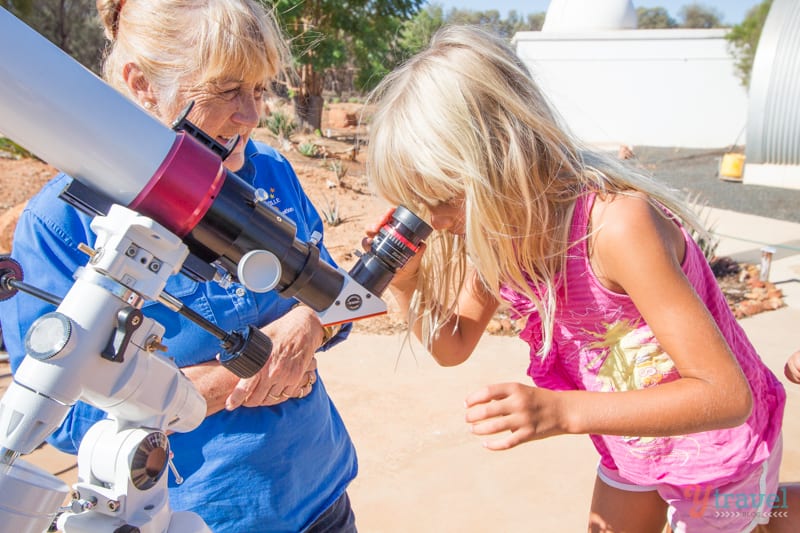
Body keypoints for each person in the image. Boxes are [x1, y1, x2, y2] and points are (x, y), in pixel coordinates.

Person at [363, 25, 797, 532]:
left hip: (718, 452)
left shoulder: (616, 227)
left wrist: (560, 411)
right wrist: (406, 283)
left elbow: (725, 395)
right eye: (422, 206)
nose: (436, 222)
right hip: (635, 443)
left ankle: (771, 510)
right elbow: (452, 346)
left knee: (755, 521)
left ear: (503, 156)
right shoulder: (496, 238)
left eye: (445, 199)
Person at [0, 1, 358, 531]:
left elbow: (336, 299)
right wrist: (225, 380)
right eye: (226, 89)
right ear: (142, 83)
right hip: (200, 516)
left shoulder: (270, 171)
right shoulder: (60, 226)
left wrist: (308, 323)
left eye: (259, 89)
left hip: (323, 494)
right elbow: (65, 419)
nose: (251, 115)